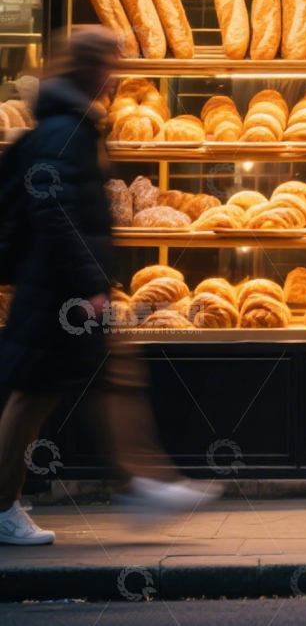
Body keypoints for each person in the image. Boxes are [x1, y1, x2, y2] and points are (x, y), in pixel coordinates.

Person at [0, 28, 218, 545]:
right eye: (110, 65)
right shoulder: (65, 131)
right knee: (34, 396)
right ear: (93, 70)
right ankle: (10, 506)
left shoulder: (72, 123)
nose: (116, 75)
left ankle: (141, 483)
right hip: (58, 292)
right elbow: (56, 214)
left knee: (107, 379)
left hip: (66, 288)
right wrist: (90, 284)